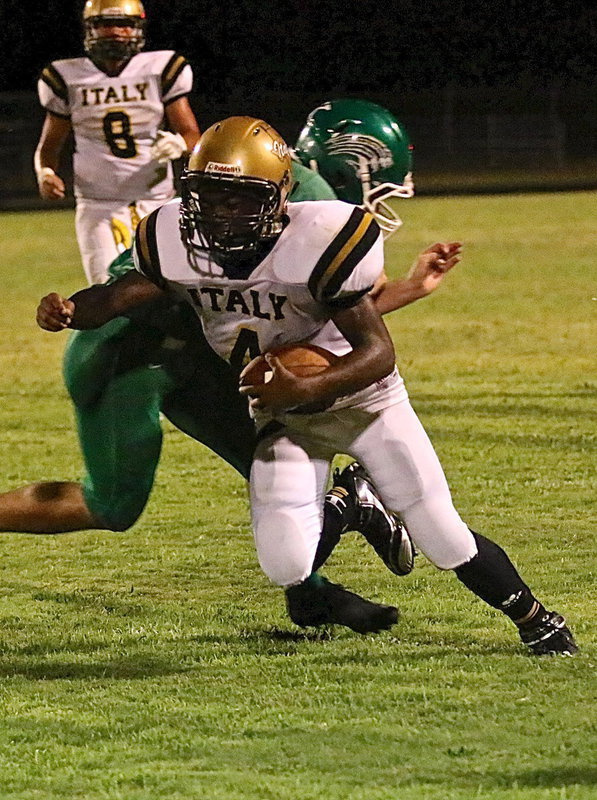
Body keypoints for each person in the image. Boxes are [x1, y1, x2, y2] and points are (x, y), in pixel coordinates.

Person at [36, 117, 577, 655]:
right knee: (286, 563)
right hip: (284, 416)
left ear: (279, 196)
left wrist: (301, 387)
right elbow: (119, 296)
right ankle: (345, 505)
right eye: (212, 194)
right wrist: (71, 310)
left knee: (441, 534)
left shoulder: (319, 240)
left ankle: (536, 618)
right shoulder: (171, 239)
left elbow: (377, 352)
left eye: (241, 198)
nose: (224, 212)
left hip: (365, 405)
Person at [34, 0, 200, 284]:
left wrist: (179, 144)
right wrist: (45, 173)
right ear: (90, 29)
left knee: (171, 287)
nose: (115, 32)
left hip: (157, 200)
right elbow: (48, 148)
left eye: (124, 24)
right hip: (99, 204)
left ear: (138, 29)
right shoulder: (66, 77)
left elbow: (192, 136)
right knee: (106, 288)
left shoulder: (161, 69)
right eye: (105, 24)